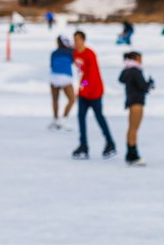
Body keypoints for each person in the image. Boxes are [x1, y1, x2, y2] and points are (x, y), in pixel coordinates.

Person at [68, 31, 115, 160]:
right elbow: (82, 73)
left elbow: (91, 75)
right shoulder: (76, 53)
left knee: (99, 117)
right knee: (81, 118)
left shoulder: (90, 54)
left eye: (78, 40)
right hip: (84, 91)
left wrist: (84, 86)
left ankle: (110, 143)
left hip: (94, 91)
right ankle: (83, 145)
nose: (76, 42)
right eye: (74, 40)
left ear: (83, 40)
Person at [119, 51, 153, 166]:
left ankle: (130, 153)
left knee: (131, 128)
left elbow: (121, 79)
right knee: (134, 128)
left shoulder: (127, 70)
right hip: (137, 102)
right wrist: (150, 84)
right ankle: (133, 154)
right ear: (135, 58)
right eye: (140, 58)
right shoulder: (136, 71)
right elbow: (143, 87)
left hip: (130, 101)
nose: (141, 61)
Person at [48, 37, 76, 129]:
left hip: (53, 77)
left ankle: (55, 120)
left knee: (55, 100)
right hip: (65, 78)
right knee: (72, 99)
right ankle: (63, 120)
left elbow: (51, 65)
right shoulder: (71, 52)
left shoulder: (54, 53)